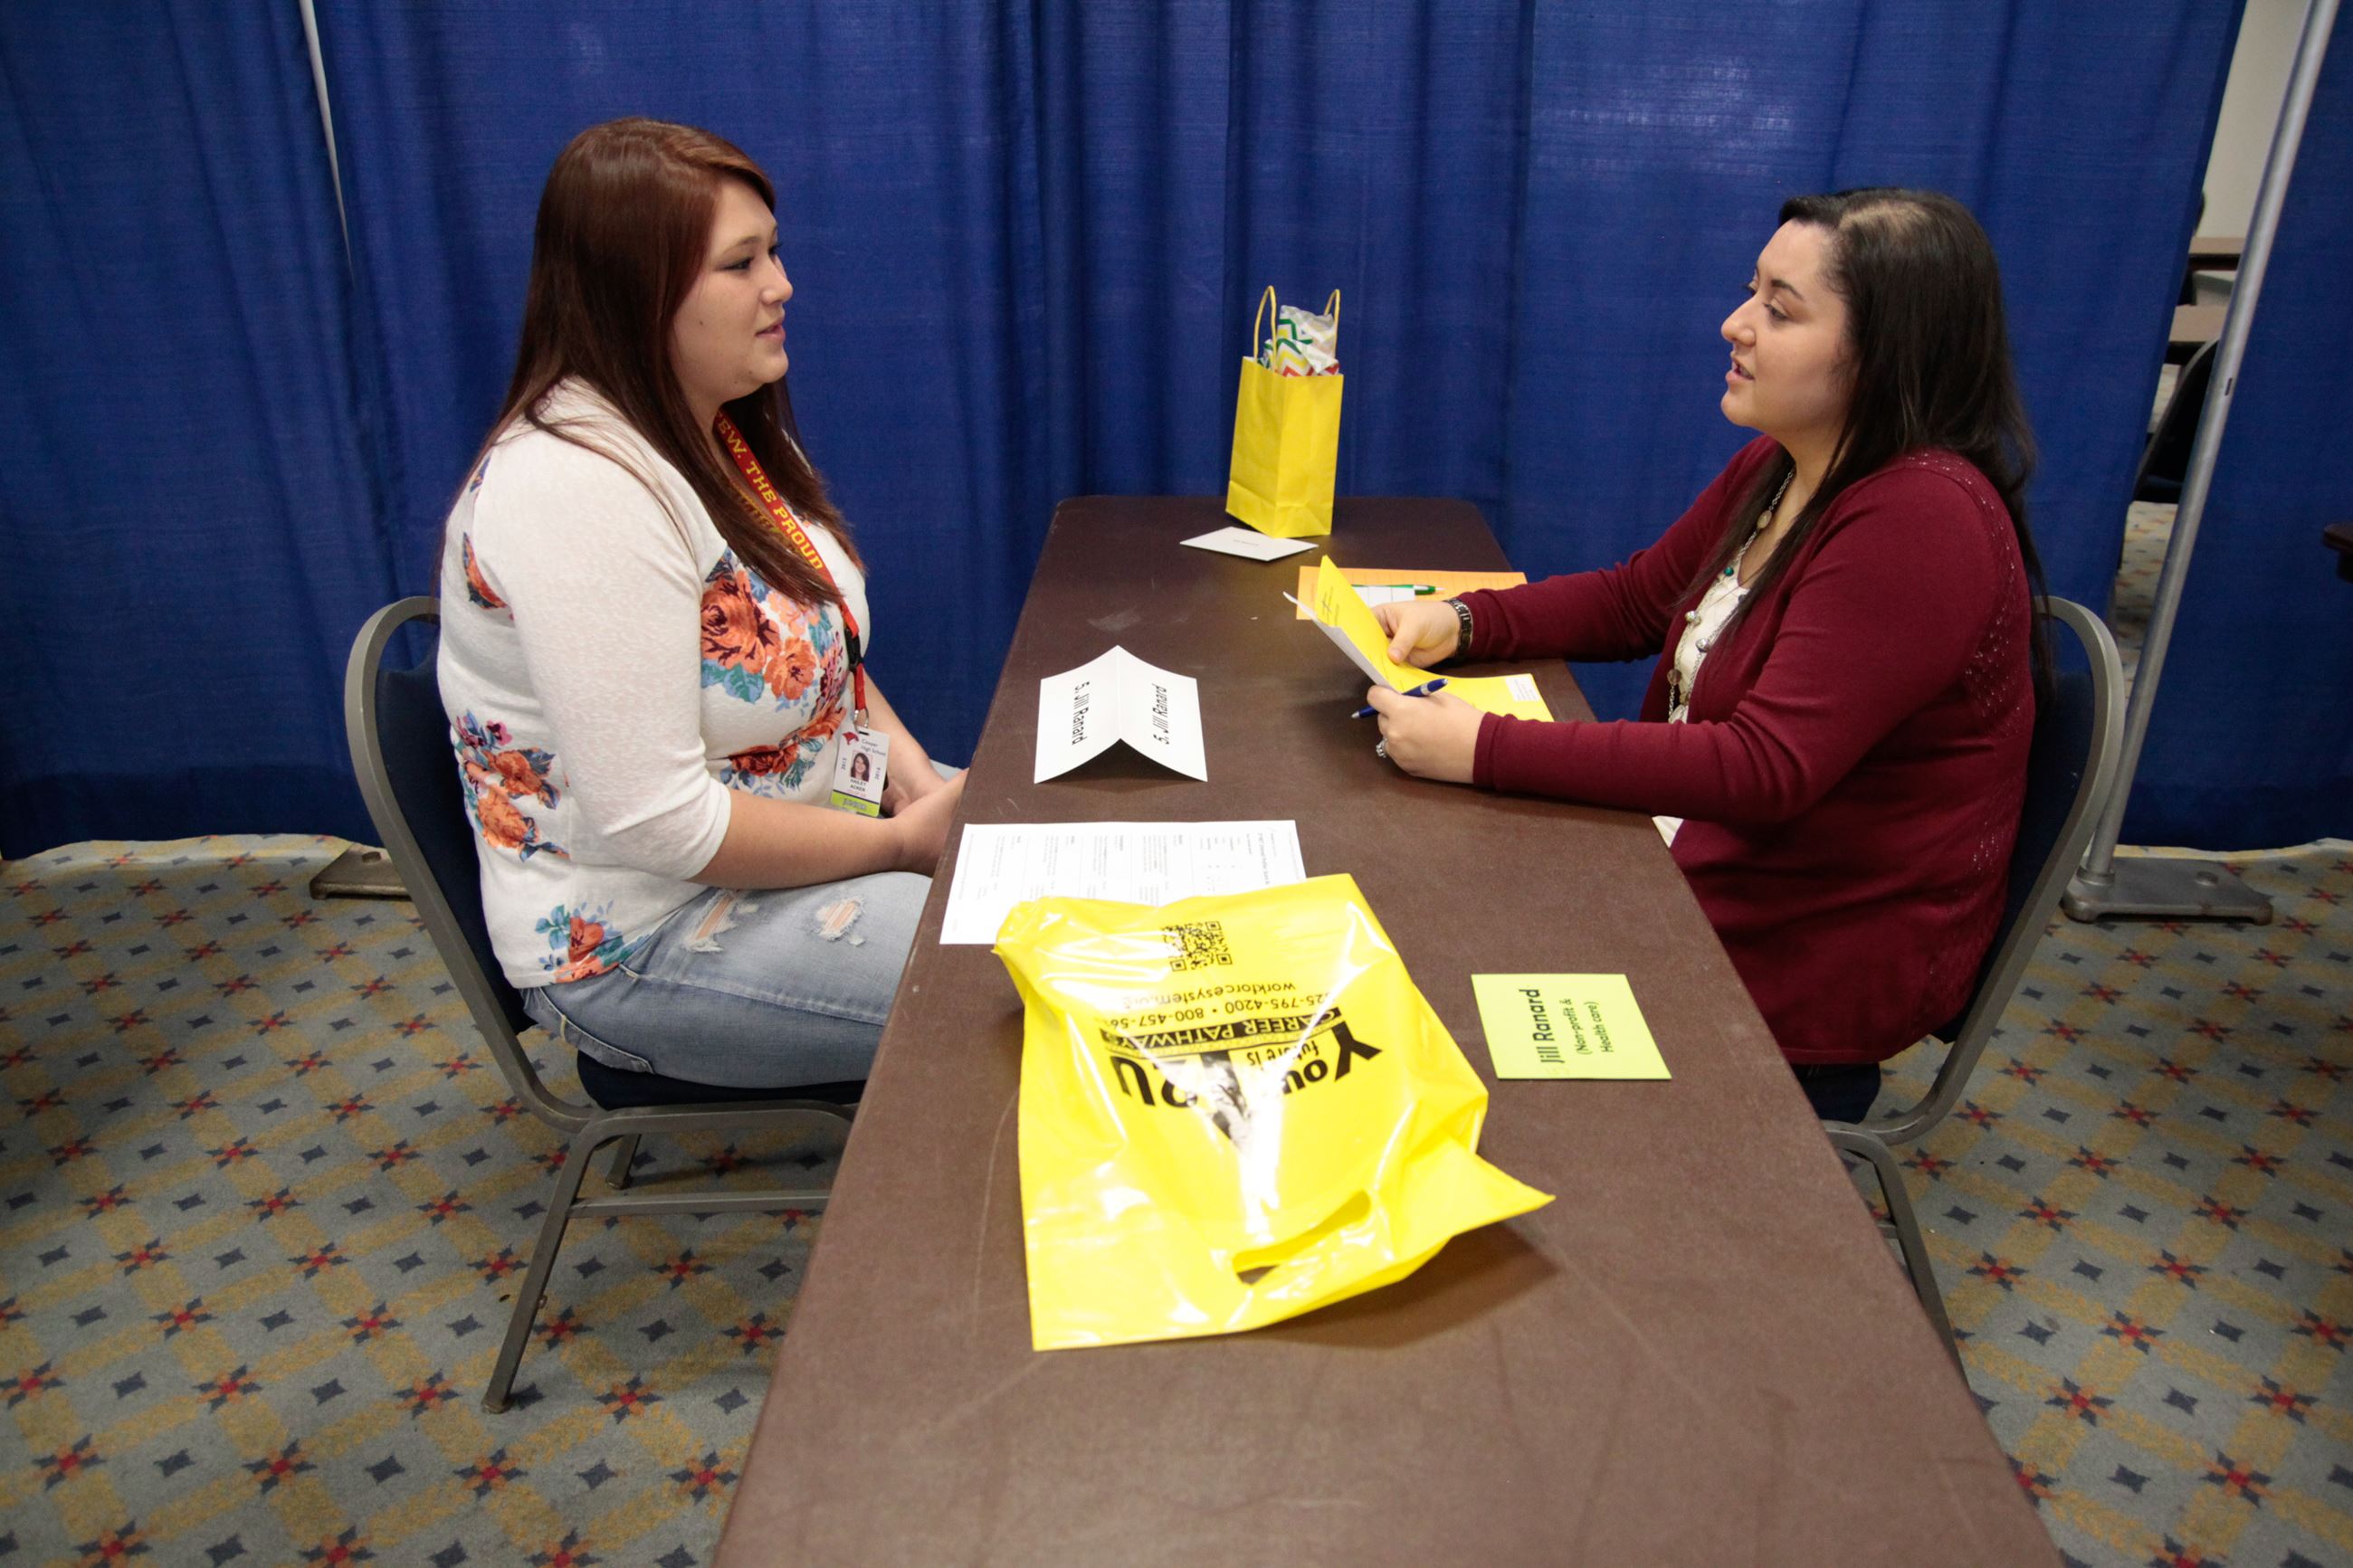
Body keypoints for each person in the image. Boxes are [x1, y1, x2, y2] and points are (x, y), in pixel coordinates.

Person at [1368, 188, 2048, 1124]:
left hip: (1801, 953)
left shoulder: (1918, 518)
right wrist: (1465, 619)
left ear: (1887, 349)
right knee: (1415, 895)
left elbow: (1761, 764)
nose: (1734, 325)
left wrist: (1479, 746)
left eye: (1779, 309)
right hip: (1701, 868)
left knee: (1427, 948)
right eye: (1748, 293)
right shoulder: (1790, 461)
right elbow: (1638, 597)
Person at [437, 119, 964, 1090]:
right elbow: (659, 824)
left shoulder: (718, 427)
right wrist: (901, 843)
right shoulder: (572, 487)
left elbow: (827, 654)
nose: (781, 285)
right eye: (741, 263)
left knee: (1083, 858)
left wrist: (922, 787)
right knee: (1040, 974)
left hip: (814, 830)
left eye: (774, 251)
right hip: (644, 935)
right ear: (641, 297)